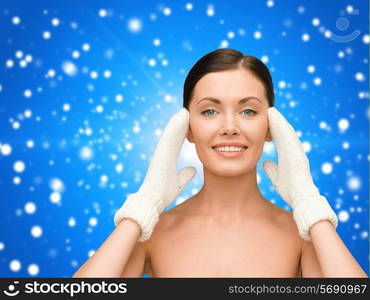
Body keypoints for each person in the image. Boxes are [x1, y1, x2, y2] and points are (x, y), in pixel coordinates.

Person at [72, 49, 368, 278]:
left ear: (271, 126)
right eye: (210, 111)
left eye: (249, 111)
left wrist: (310, 205)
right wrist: (141, 209)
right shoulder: (152, 232)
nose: (229, 127)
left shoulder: (302, 234)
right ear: (187, 127)